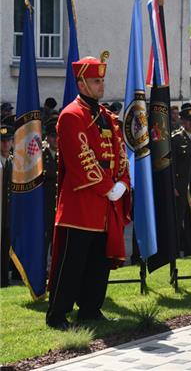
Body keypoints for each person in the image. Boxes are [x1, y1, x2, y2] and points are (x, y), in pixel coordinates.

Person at [46, 55, 131, 330]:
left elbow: (120, 153)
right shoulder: (71, 115)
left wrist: (123, 183)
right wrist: (109, 188)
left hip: (105, 207)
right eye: (96, 81)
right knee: (71, 265)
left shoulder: (107, 116)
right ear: (81, 83)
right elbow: (81, 158)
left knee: (98, 262)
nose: (101, 85)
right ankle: (57, 314)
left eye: (103, 80)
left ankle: (91, 310)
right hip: (80, 207)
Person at [171, 104, 191, 254]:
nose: (190, 124)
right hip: (180, 186)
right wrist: (172, 186)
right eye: (187, 121)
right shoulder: (176, 139)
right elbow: (172, 165)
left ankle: (189, 247)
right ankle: (174, 248)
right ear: (182, 122)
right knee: (178, 218)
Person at [42, 121, 58, 253]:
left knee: (58, 243)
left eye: (58, 135)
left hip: (61, 207)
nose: (56, 139)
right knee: (43, 242)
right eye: (53, 136)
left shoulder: (66, 155)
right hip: (45, 206)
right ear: (47, 137)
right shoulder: (40, 157)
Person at [1, 125, 13, 287]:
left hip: (9, 214)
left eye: (8, 140)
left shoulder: (14, 163)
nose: (4, 144)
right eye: (2, 141)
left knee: (6, 247)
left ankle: (4, 279)